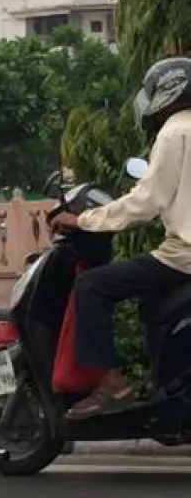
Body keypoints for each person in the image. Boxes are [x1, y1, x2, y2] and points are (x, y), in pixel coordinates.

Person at [51, 57, 191, 419]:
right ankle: (163, 383)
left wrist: (83, 219)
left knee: (93, 287)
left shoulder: (175, 131)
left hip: (183, 256)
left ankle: (111, 384)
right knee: (150, 302)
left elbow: (147, 201)